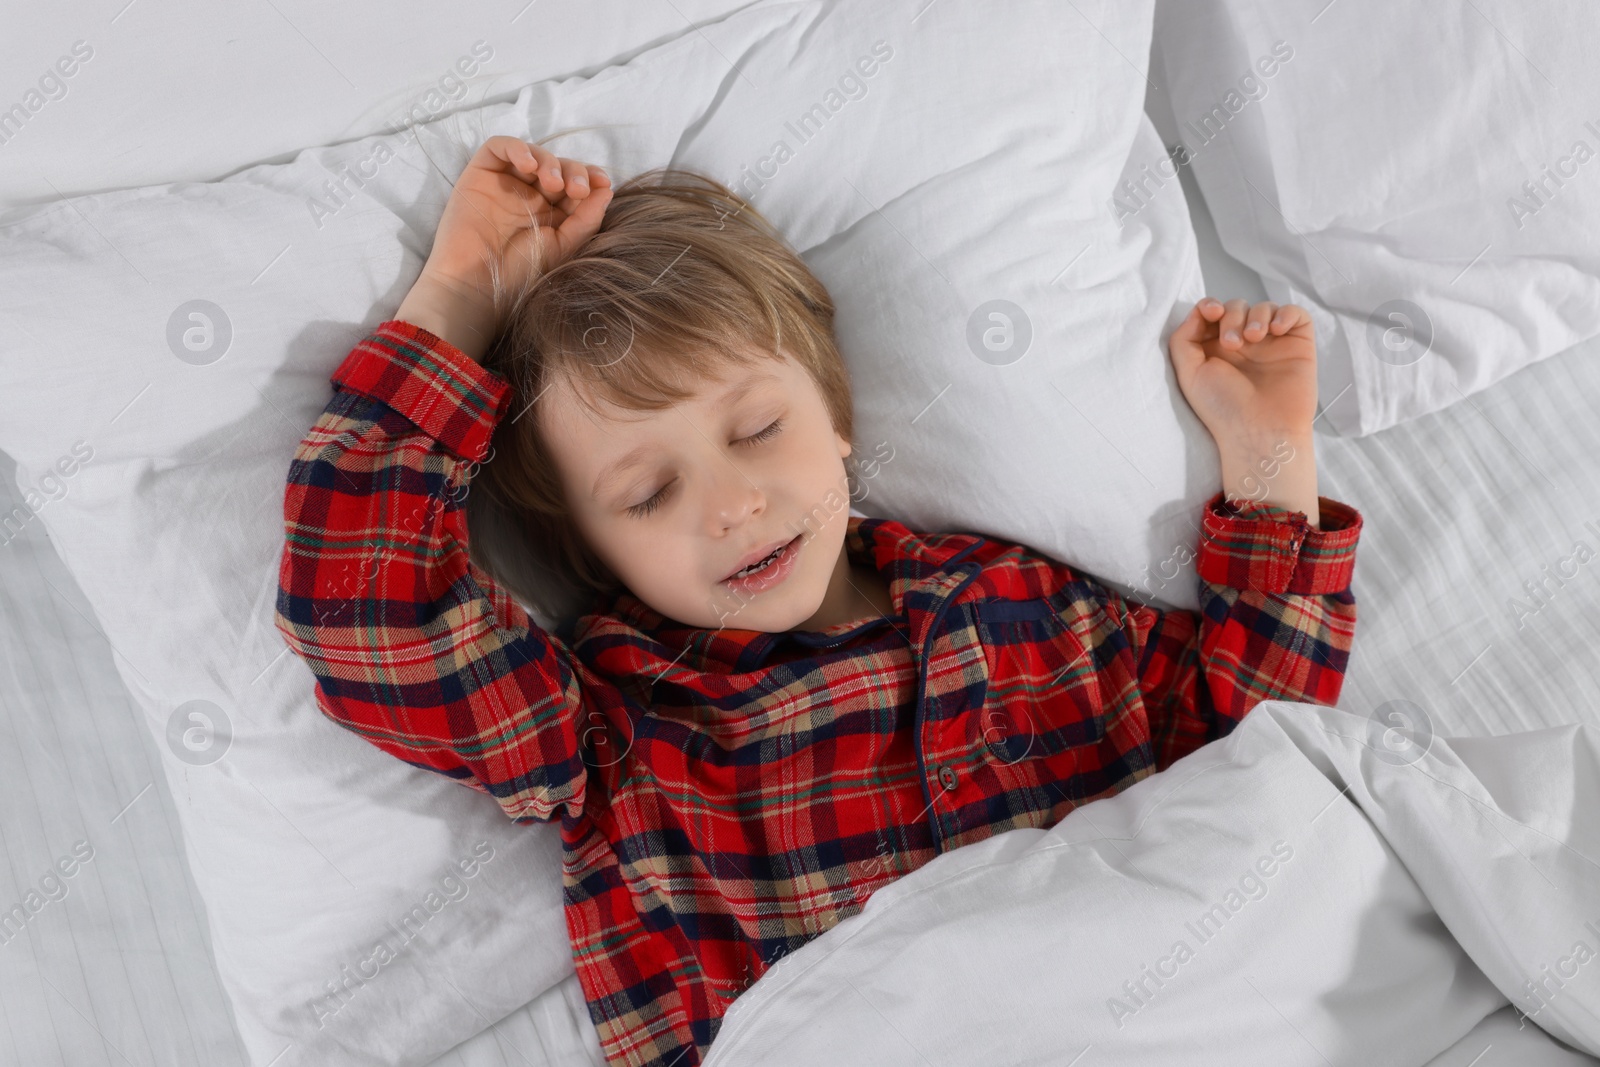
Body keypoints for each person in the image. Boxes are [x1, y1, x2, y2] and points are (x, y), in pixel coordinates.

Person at [275, 135, 1363, 1067]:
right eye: (648, 493)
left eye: (757, 430)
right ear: (590, 547)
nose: (735, 502)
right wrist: (461, 293)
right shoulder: (609, 729)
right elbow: (364, 608)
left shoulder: (1026, 604)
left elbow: (1262, 756)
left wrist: (1269, 452)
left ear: (836, 415)